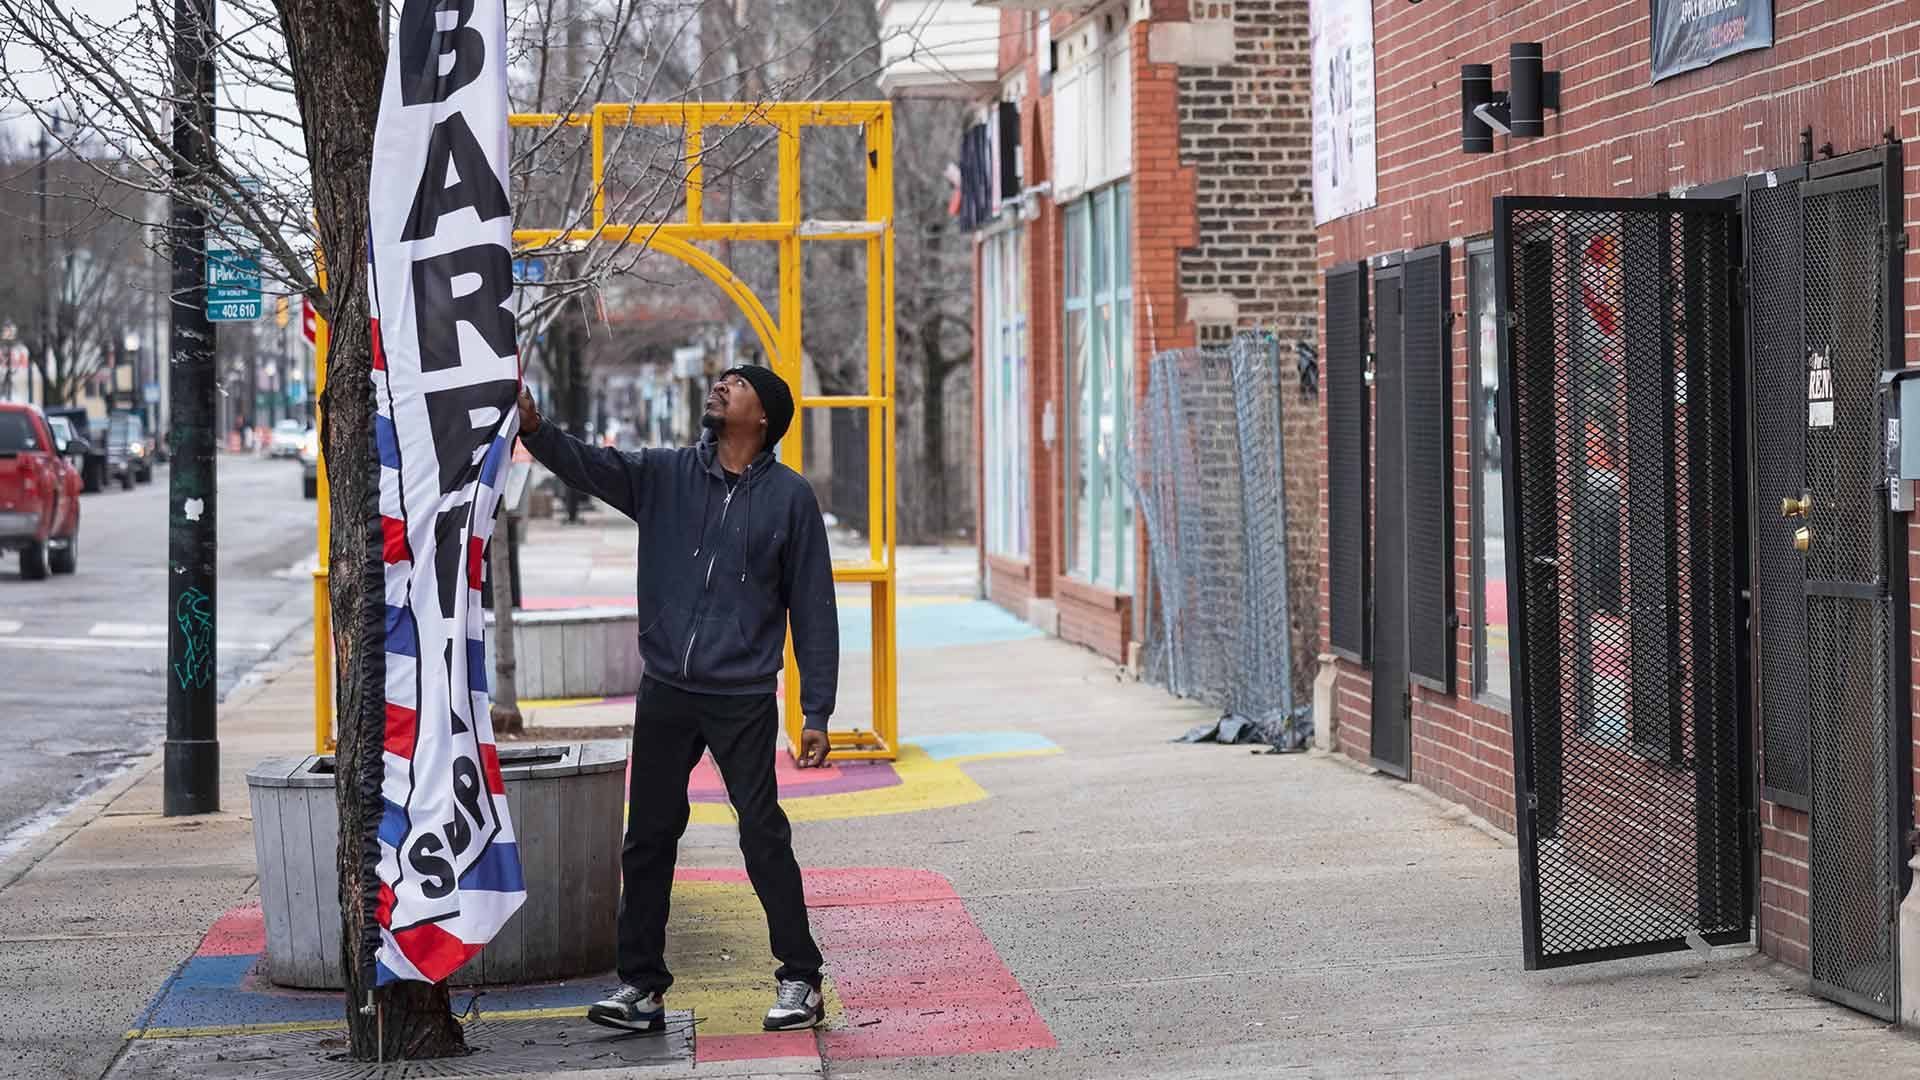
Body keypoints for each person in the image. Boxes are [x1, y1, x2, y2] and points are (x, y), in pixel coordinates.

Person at [516, 365, 838, 1035]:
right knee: (649, 837)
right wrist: (536, 428)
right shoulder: (665, 476)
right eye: (718, 381)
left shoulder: (790, 498)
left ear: (765, 418)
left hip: (743, 694)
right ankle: (641, 989)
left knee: (761, 834)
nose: (720, 388)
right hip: (666, 686)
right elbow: (589, 466)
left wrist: (817, 710)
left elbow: (813, 607)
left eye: (737, 385)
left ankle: (800, 978)